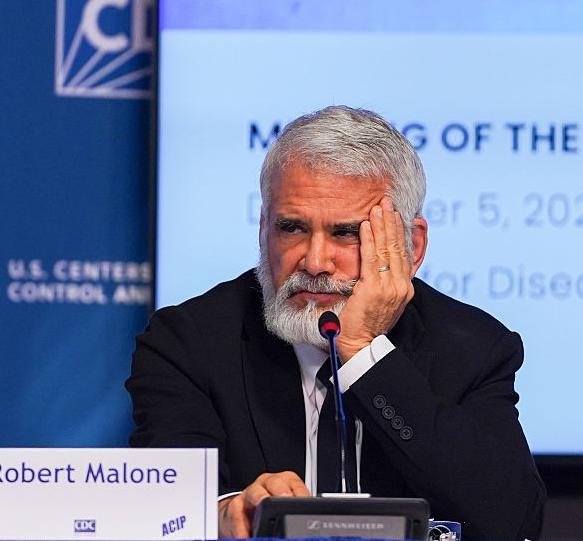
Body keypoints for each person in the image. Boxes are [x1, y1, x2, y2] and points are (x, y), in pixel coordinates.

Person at [126, 106, 545, 540]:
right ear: (263, 229)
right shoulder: (188, 342)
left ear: (411, 247)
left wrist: (364, 352)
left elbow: (513, 522)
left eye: (345, 233)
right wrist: (226, 513)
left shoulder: (472, 348)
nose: (314, 262)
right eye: (291, 228)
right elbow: (163, 503)